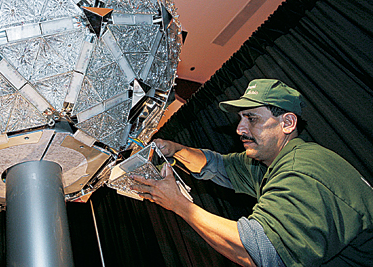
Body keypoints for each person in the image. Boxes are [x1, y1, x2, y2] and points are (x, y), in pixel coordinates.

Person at [131, 79, 373, 266]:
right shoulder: (270, 161)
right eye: (240, 118)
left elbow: (259, 251)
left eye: (252, 119)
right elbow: (217, 165)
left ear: (288, 123)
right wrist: (176, 150)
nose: (240, 129)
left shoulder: (301, 171)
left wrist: (179, 204)